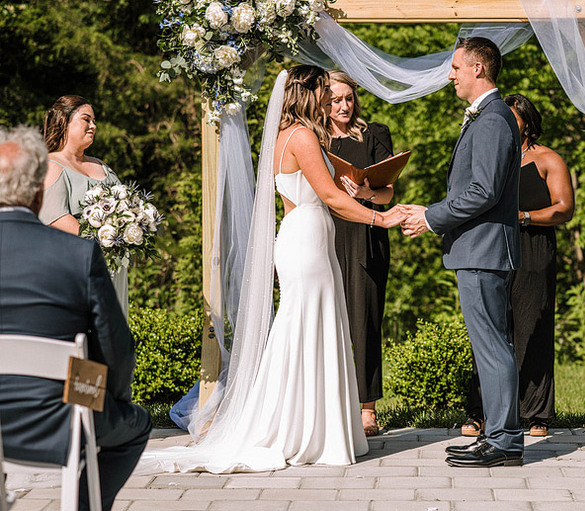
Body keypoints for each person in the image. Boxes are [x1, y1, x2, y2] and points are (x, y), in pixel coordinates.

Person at [140, 65, 404, 474]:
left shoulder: (283, 136)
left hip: (300, 235)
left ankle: (308, 425)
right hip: (309, 239)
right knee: (306, 326)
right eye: (323, 91)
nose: (329, 99)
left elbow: (317, 193)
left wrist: (357, 191)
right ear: (310, 92)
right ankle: (306, 429)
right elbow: (331, 198)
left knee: (305, 326)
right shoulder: (303, 136)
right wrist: (382, 219)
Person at [0, 125, 151, 511]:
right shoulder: (78, 255)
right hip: (61, 418)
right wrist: (105, 399)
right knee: (135, 424)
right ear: (37, 191)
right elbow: (115, 352)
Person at [399, 37, 524, 467]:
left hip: (483, 249)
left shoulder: (491, 119)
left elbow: (482, 191)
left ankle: (506, 440)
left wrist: (431, 216)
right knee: (491, 345)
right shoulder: (489, 116)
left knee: (492, 346)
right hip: (479, 249)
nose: (450, 75)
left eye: (455, 67)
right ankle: (498, 432)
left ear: (478, 69)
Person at [462, 94, 574, 438]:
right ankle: (479, 411)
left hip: (532, 247)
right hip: (493, 246)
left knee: (530, 329)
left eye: (513, 118)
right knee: (491, 329)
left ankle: (536, 412)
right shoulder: (492, 156)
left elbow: (565, 208)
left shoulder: (547, 159)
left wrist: (524, 217)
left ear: (527, 121)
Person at [328, 69, 395, 436]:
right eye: (335, 100)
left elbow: (388, 194)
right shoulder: (313, 138)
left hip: (366, 234)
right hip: (324, 232)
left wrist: (365, 194)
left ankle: (367, 409)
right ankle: (327, 401)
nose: (344, 106)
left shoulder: (374, 134)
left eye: (348, 98)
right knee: (325, 318)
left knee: (364, 320)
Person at [39, 95, 129, 318]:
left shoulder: (101, 166)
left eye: (94, 120)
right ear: (64, 122)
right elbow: (57, 219)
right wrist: (107, 240)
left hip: (112, 265)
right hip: (77, 270)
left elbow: (127, 207)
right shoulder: (51, 165)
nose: (93, 125)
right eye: (86, 119)